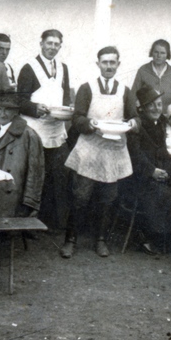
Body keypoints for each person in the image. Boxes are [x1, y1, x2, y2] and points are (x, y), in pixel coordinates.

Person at [62, 47, 136, 259]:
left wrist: (132, 122)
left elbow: (135, 118)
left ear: (118, 65)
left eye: (113, 62)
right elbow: (76, 118)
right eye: (105, 62)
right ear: (98, 64)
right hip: (90, 148)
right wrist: (89, 123)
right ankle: (70, 240)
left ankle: (101, 239)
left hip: (113, 151)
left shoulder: (125, 91)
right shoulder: (87, 88)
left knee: (108, 198)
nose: (109, 66)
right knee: (81, 196)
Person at [16, 28, 73, 228]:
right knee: (33, 175)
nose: (52, 48)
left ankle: (53, 221)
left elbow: (65, 98)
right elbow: (19, 101)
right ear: (41, 44)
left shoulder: (63, 68)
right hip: (35, 130)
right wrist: (34, 108)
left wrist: (69, 108)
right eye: (49, 43)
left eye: (56, 44)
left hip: (56, 130)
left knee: (58, 175)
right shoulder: (29, 67)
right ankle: (27, 222)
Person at [125, 89, 171, 253]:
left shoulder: (159, 125)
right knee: (163, 194)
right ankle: (153, 239)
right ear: (142, 108)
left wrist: (167, 170)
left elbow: (163, 153)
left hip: (154, 176)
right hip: (136, 178)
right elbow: (135, 155)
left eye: (159, 104)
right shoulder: (136, 127)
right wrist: (152, 171)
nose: (157, 109)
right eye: (152, 105)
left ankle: (161, 238)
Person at [0, 91, 46, 220]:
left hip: (12, 198)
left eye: (7, 109)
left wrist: (30, 204)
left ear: (16, 112)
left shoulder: (29, 135)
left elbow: (36, 174)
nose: (2, 113)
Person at [131, 39, 171, 111]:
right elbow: (133, 96)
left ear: (167, 55)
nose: (159, 56)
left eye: (163, 53)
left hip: (166, 116)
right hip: (147, 115)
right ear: (152, 53)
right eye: (156, 52)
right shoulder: (143, 70)